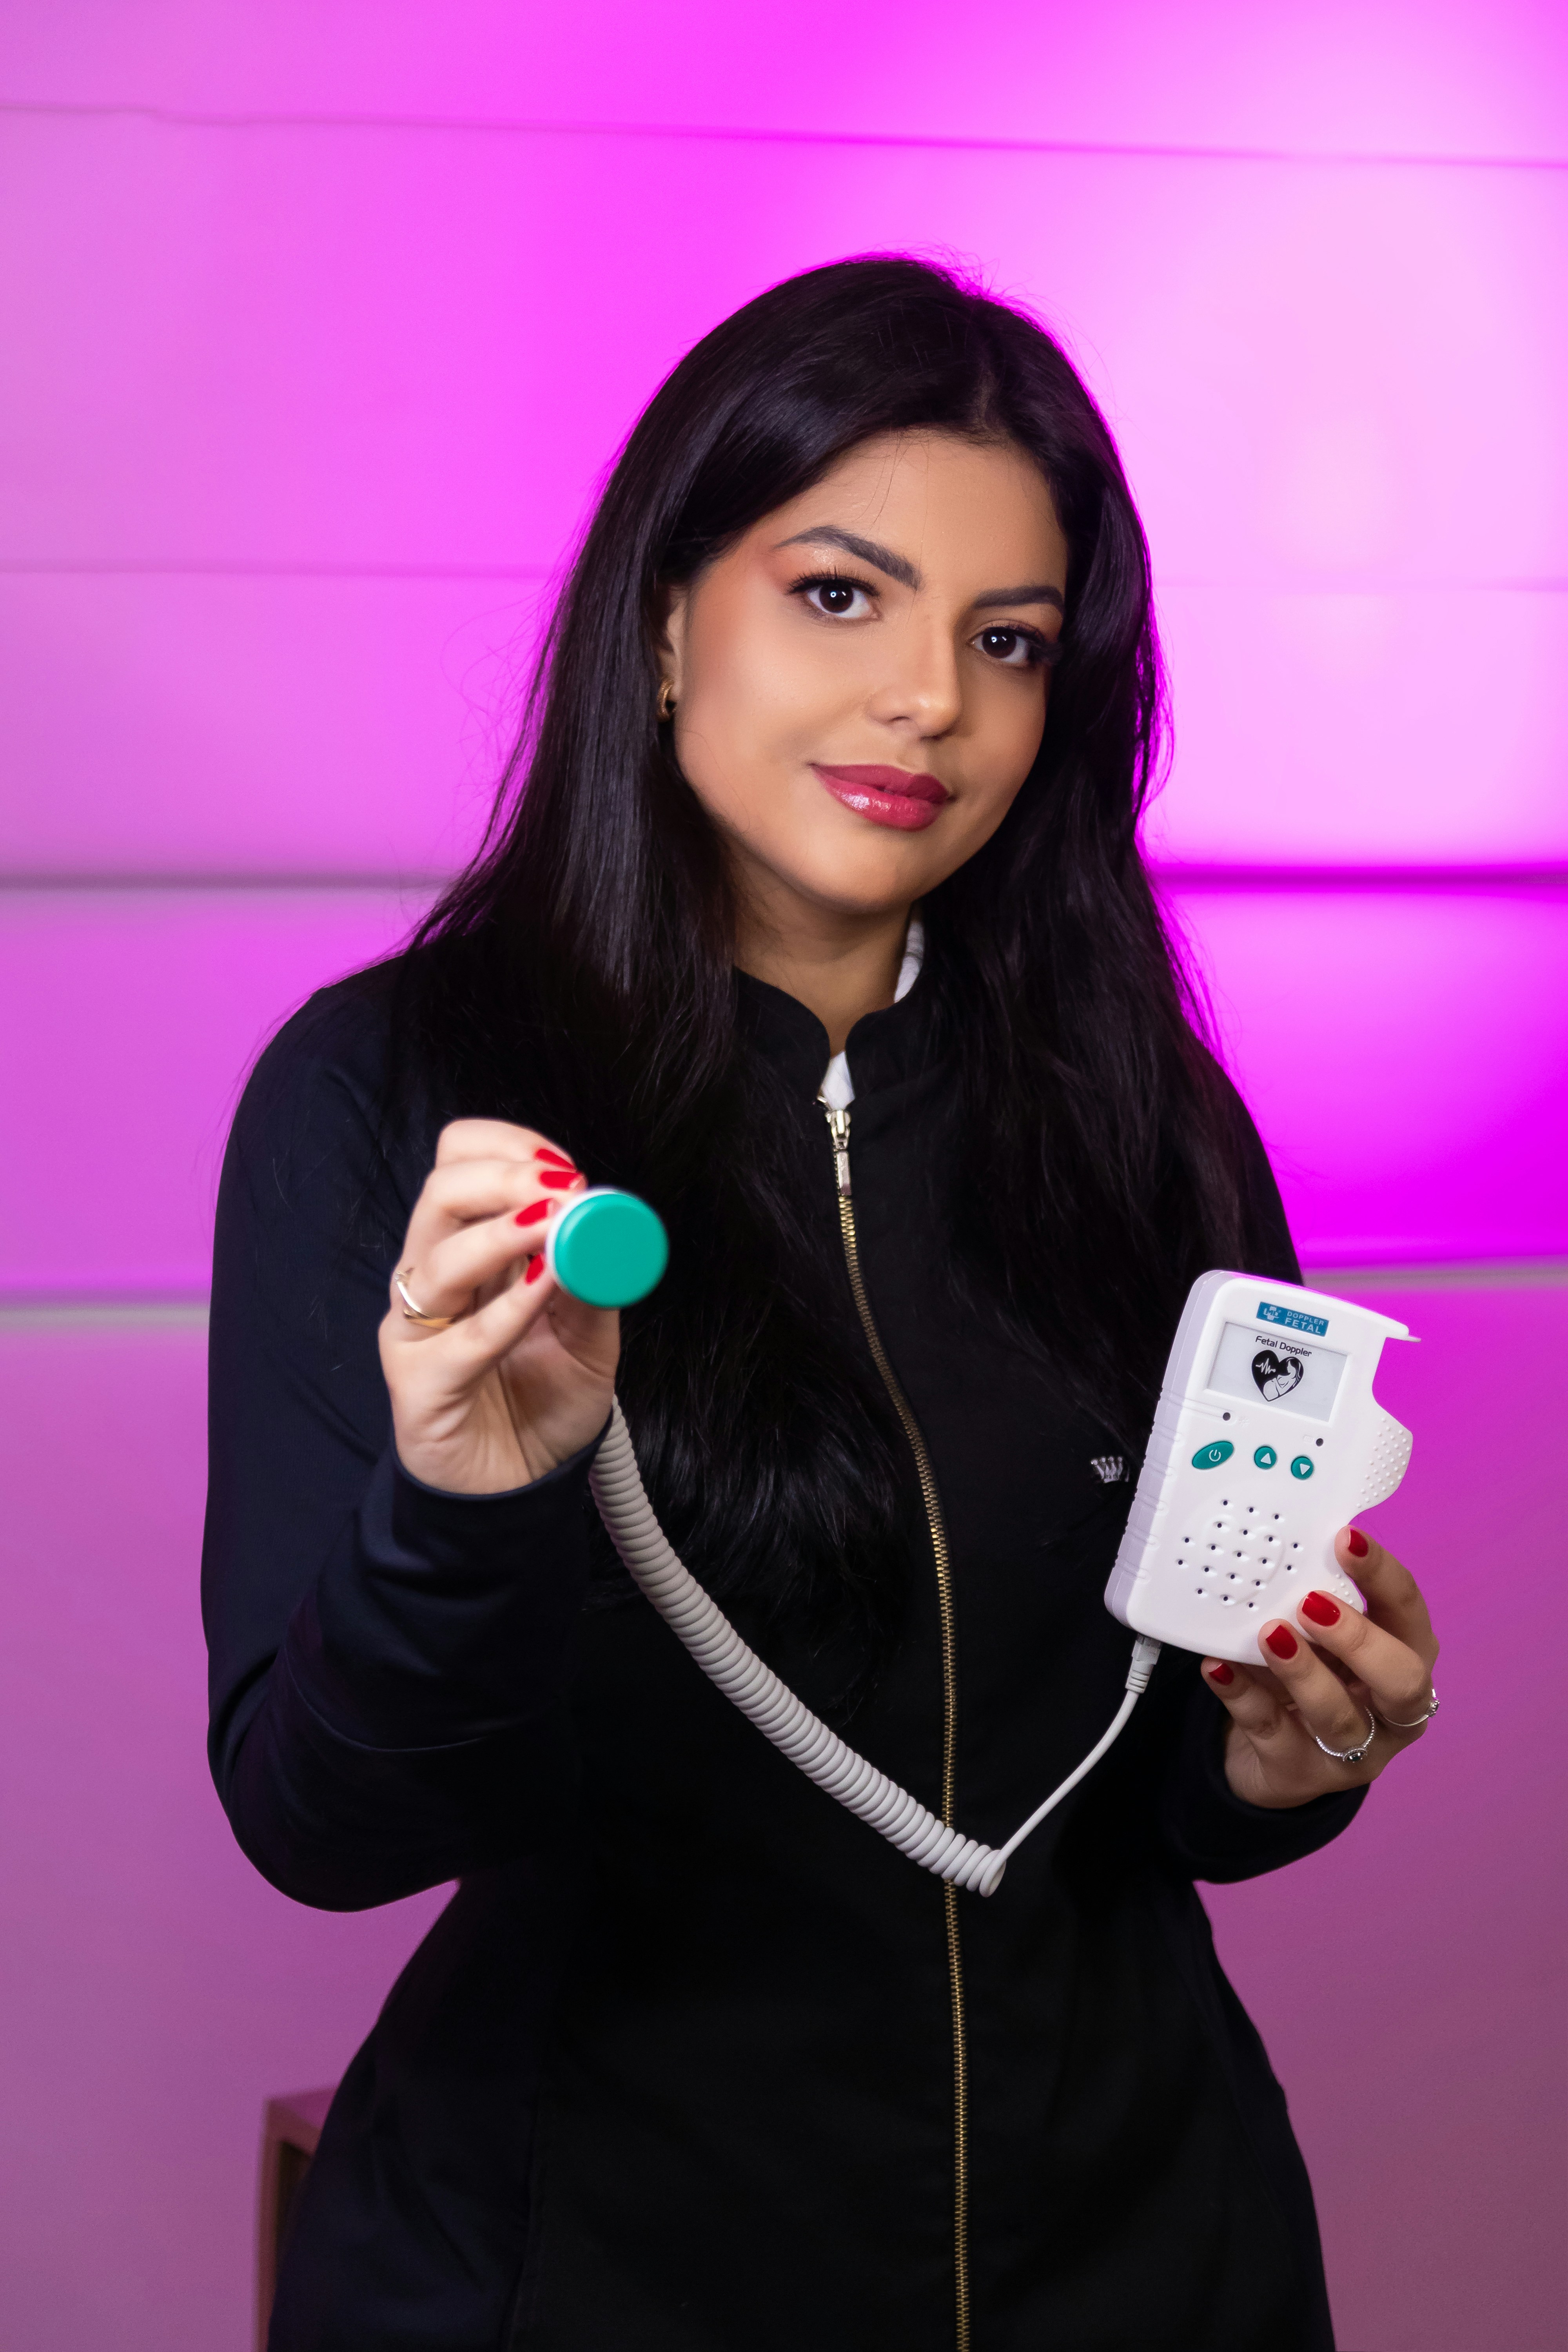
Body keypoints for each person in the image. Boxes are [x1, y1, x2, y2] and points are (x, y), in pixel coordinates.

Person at [203, 256, 1441, 2352]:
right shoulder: (397, 1097)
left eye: (1010, 641)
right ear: (672, 615)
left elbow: (1150, 1810)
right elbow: (325, 1825)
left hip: (1151, 2263)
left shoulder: (1148, 1125)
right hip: (584, 2277)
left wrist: (1284, 1758)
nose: (932, 705)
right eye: (842, 596)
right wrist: (469, 1502)